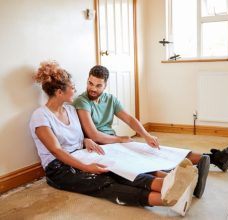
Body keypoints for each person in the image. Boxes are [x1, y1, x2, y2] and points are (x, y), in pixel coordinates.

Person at [29, 61, 199, 215]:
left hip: (80, 155)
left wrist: (85, 140)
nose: (75, 89)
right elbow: (57, 151)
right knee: (104, 183)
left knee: (118, 169)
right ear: (60, 92)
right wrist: (87, 168)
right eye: (71, 86)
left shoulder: (71, 111)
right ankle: (165, 198)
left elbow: (78, 137)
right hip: (58, 168)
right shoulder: (41, 116)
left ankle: (168, 185)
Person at [73, 65, 228, 199]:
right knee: (143, 160)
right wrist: (120, 139)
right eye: (90, 83)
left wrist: (146, 136)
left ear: (105, 85)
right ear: (87, 80)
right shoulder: (82, 101)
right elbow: (93, 135)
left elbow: (130, 120)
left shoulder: (110, 99)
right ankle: (192, 176)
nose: (93, 88)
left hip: (115, 142)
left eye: (98, 85)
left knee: (154, 149)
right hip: (99, 146)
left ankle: (213, 158)